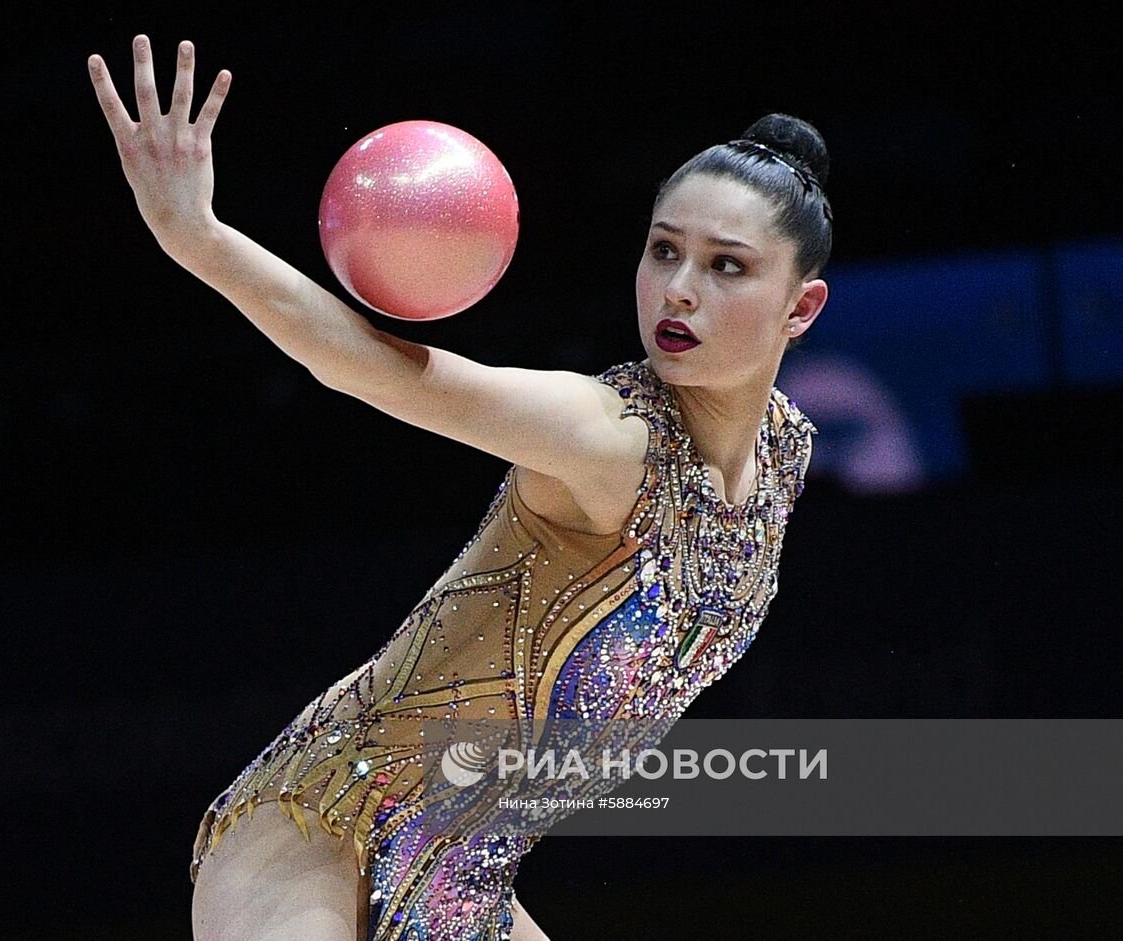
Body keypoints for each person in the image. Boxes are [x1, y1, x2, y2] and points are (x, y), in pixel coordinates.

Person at [88, 34, 829, 941]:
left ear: (802, 306)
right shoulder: (607, 438)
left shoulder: (782, 457)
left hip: (463, 880)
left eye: (726, 266)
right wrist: (199, 239)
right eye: (663, 250)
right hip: (324, 826)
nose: (678, 290)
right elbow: (392, 374)